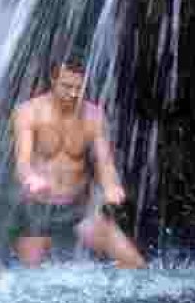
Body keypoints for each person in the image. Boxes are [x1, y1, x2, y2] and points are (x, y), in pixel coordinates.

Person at [12, 56, 146, 268]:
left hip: (78, 210)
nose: (73, 94)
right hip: (36, 209)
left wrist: (111, 186)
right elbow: (22, 161)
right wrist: (30, 178)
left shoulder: (94, 116)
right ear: (53, 80)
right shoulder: (28, 112)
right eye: (66, 86)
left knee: (134, 264)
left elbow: (104, 162)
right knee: (29, 280)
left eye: (79, 87)